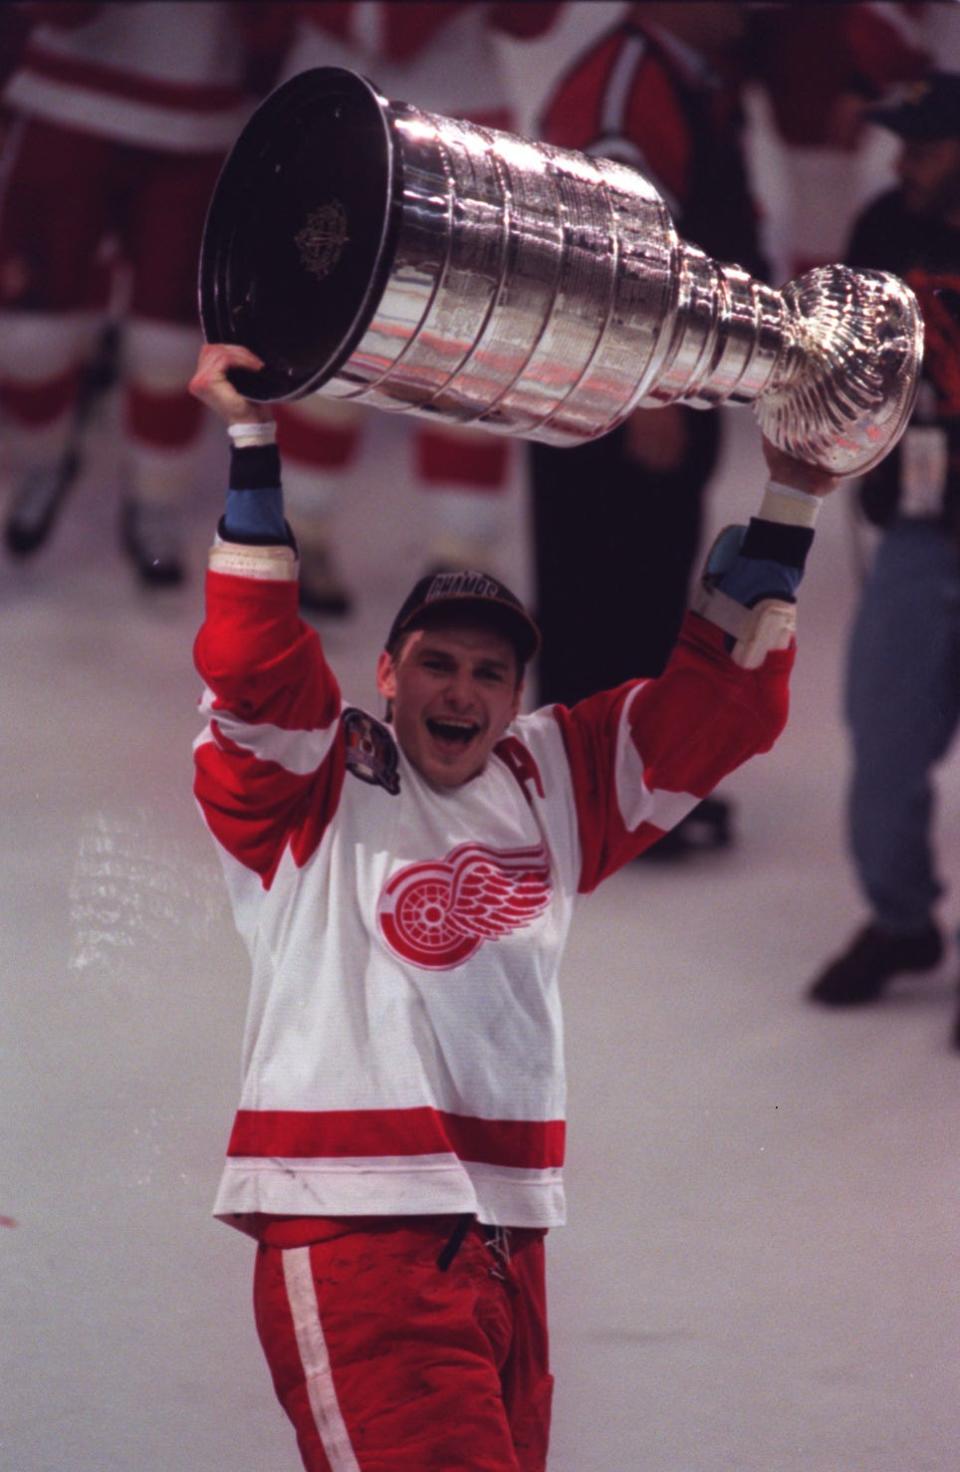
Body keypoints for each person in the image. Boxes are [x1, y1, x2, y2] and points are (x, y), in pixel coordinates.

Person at [189, 339, 843, 1471]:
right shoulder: (318, 777)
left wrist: (791, 490)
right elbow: (255, 670)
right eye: (438, 663)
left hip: (503, 1237)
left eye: (493, 674)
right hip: (349, 1227)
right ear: (386, 675)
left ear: (519, 695)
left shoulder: (549, 780)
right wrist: (253, 451)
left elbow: (710, 712)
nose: (465, 690)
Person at [530, 0, 768, 856]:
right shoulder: (629, 85)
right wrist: (653, 398)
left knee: (642, 592)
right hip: (616, 399)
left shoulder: (684, 78)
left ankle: (627, 795)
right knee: (605, 592)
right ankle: (592, 805)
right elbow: (617, 248)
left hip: (648, 389)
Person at [0, 0, 284, 586]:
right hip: (64, 101)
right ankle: (41, 465)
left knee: (172, 344)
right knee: (31, 335)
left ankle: (155, 502)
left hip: (201, 116)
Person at [807, 71, 960, 1044]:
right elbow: (838, 361)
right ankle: (903, 922)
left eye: (923, 146)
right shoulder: (878, 229)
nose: (901, 164)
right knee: (882, 738)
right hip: (917, 523)